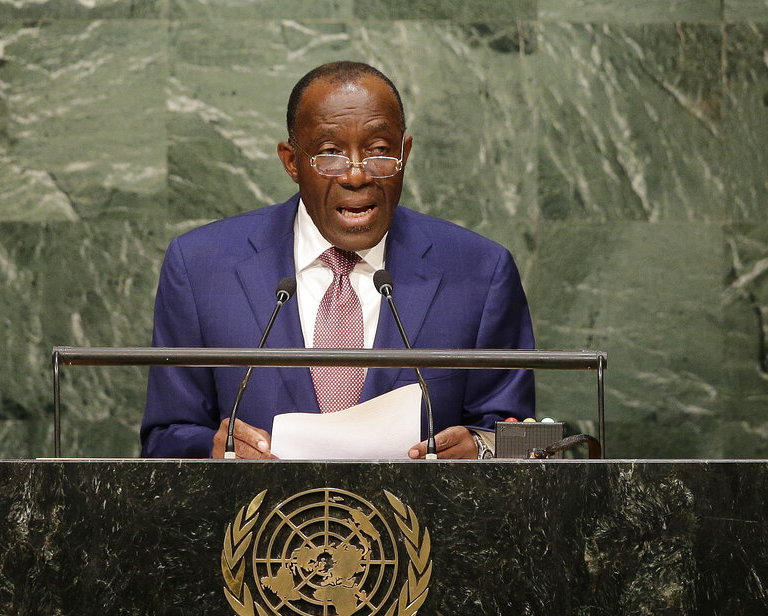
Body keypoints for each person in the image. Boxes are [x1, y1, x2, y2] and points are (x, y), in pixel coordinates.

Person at [141, 61, 535, 459]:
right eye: (330, 153)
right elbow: (164, 438)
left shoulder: (480, 272)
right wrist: (216, 451)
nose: (357, 175)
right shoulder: (201, 268)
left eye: (379, 151)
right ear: (291, 161)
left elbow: (517, 438)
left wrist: (480, 449)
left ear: (405, 153)